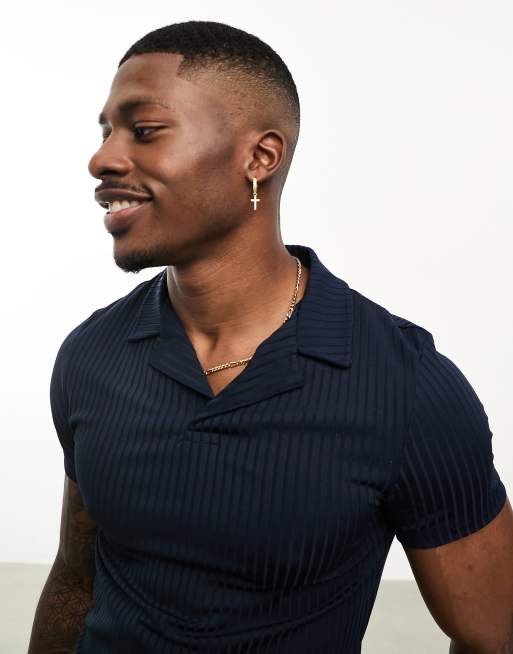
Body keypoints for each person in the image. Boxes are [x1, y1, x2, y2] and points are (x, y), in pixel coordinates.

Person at [28, 20, 513, 654]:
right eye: (105, 133)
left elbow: (493, 633)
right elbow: (75, 580)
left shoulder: (407, 386)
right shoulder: (91, 354)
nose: (102, 159)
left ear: (260, 158)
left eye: (144, 131)